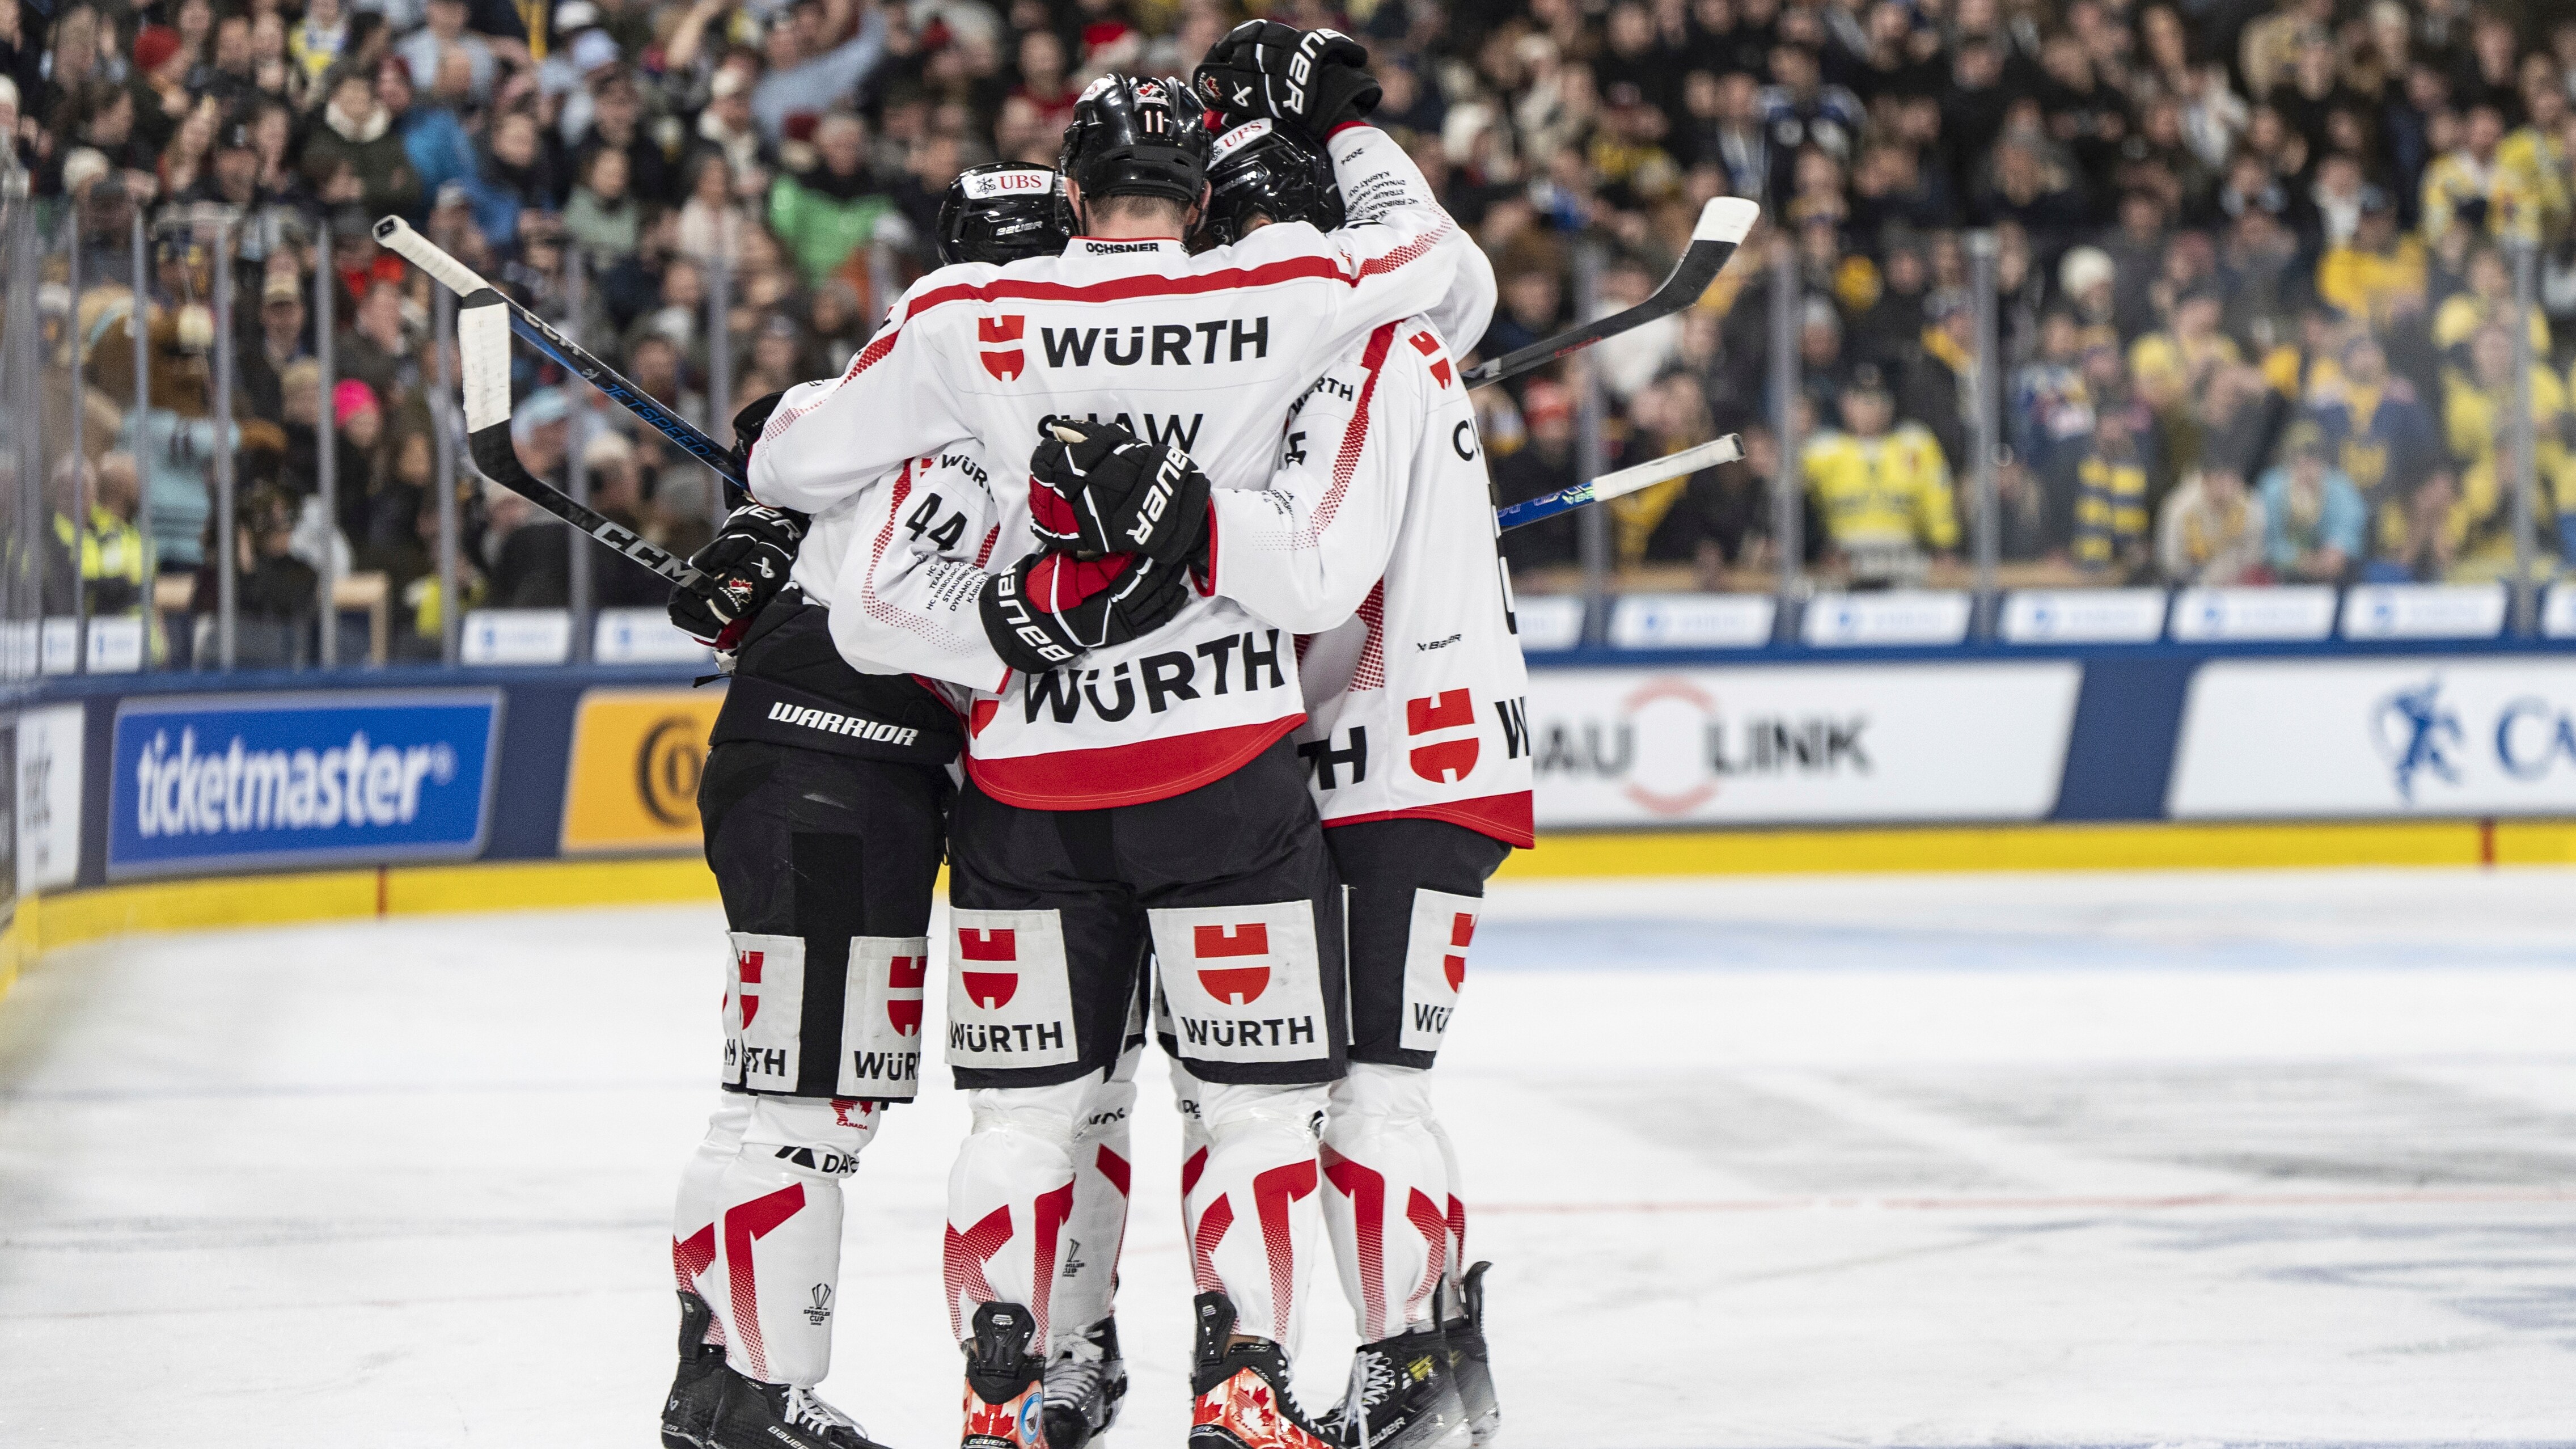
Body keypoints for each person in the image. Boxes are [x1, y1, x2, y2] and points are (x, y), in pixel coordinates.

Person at [741, 44, 1481, 1449]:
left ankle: (1002, 1398)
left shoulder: (974, 310)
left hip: (1029, 787)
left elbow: (796, 463)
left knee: (1025, 1123)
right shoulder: (1274, 288)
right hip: (1222, 772)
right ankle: (1244, 1388)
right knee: (1252, 1110)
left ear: (1075, 194)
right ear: (1195, 200)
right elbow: (1436, 267)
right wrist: (1348, 136)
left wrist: (790, 480)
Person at [653, 163, 1081, 1449]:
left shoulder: (886, 386)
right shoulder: (977, 408)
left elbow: (788, 467)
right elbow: (895, 599)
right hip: (839, 766)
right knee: (807, 1106)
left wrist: (762, 534)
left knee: (785, 1094)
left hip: (818, 761)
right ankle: (747, 1394)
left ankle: (722, 1377)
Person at [1799, 364, 1957, 586]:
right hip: (1842, 557)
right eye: (1862, 399)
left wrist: (1944, 547)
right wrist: (1816, 551)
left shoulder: (1916, 443)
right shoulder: (1820, 450)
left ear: (1890, 404)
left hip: (1904, 554)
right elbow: (1797, 505)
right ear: (1846, 404)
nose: (1870, 407)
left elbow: (1938, 502)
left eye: (1878, 399)